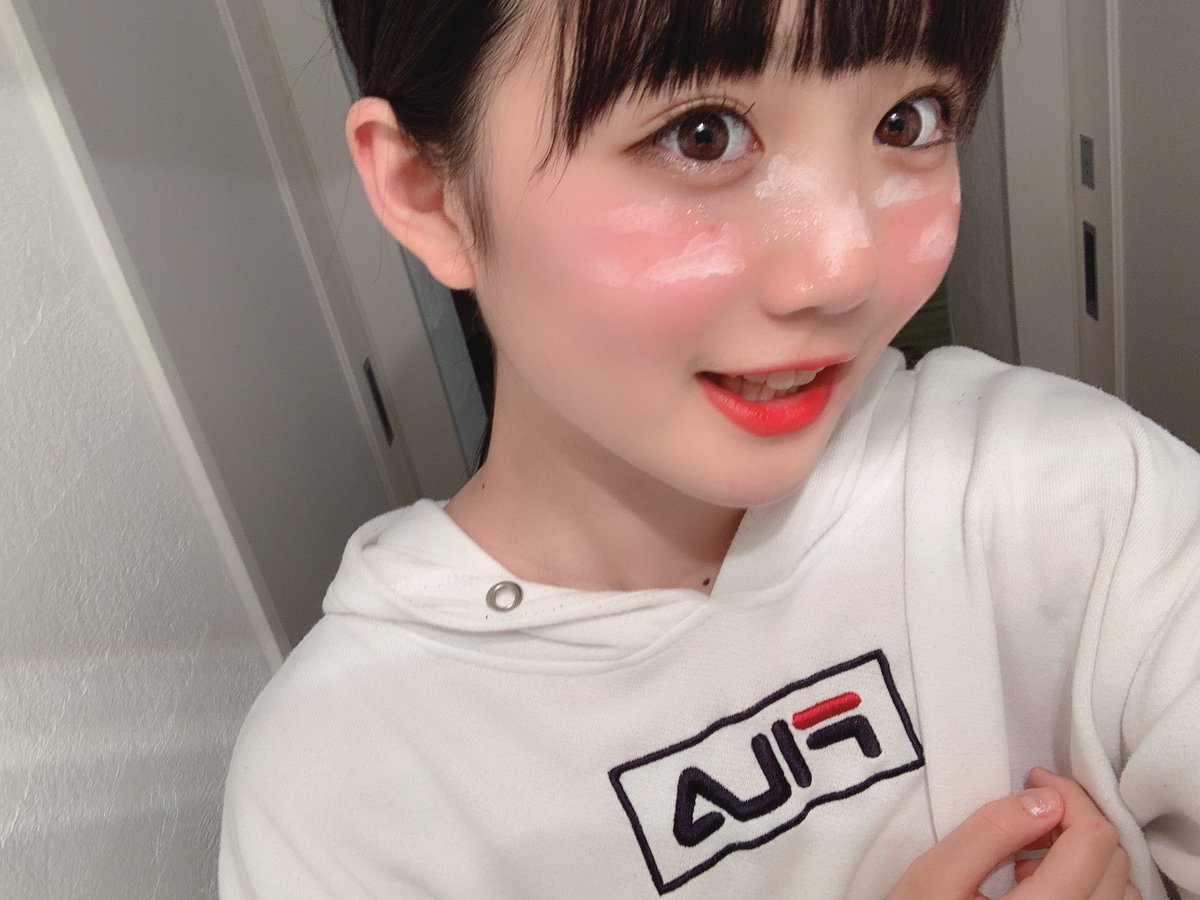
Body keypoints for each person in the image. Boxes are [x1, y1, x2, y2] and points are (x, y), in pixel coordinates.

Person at [219, 1, 1200, 897]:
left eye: (907, 122)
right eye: (702, 134)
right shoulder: (342, 784)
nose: (843, 267)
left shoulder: (1071, 492)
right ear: (431, 191)